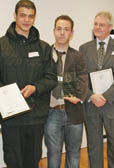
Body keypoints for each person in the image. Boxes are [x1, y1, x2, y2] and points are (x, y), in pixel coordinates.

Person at [0, 0, 57, 168]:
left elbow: (51, 77)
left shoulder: (44, 47)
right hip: (11, 118)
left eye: (30, 16)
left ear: (34, 18)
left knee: (33, 160)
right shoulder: (1, 46)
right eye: (23, 15)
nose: (26, 20)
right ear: (15, 16)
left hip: (35, 116)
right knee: (13, 160)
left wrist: (36, 87)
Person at [79, 11, 114, 168]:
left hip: (113, 104)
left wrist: (106, 96)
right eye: (95, 24)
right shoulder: (84, 48)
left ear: (110, 27)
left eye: (101, 24)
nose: (97, 27)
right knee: (94, 147)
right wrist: (91, 95)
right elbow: (80, 77)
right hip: (91, 105)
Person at [44, 15, 88, 168]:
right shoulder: (45, 55)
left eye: (66, 29)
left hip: (73, 111)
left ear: (72, 33)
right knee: (53, 154)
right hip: (51, 113)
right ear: (54, 31)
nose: (62, 33)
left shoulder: (78, 56)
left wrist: (80, 97)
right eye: (59, 29)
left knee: (74, 153)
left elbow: (83, 79)